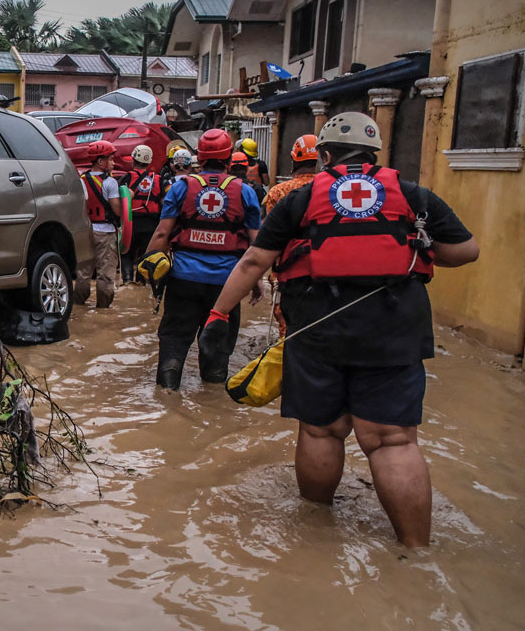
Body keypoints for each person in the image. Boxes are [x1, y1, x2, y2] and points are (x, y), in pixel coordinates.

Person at [199, 112, 478, 547]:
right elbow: (466, 251)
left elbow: (255, 261)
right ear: (374, 153)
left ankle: (316, 537)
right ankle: (415, 552)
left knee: (319, 430)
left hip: (316, 327)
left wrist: (218, 314)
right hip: (395, 329)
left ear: (325, 155)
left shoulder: (301, 198)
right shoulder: (412, 194)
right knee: (393, 442)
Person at [143, 128, 263, 389]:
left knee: (173, 341)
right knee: (218, 349)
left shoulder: (181, 187)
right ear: (229, 157)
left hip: (182, 279)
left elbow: (163, 233)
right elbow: (257, 243)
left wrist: (149, 270)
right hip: (227, 286)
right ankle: (212, 393)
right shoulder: (246, 192)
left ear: (200, 157)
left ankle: (167, 394)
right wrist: (256, 281)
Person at [262, 134, 320, 335]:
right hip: (325, 267)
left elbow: (271, 239)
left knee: (285, 322)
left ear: (294, 159)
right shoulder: (330, 188)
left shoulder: (278, 192)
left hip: (288, 271)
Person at [74, 139, 121, 308]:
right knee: (106, 274)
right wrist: (127, 197)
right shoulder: (110, 182)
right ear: (101, 162)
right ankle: (103, 310)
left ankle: (78, 305)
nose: (113, 163)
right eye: (110, 159)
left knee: (83, 273)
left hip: (84, 231)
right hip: (105, 232)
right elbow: (118, 210)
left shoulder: (80, 180)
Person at [119, 144, 162, 284]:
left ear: (133, 160)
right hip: (151, 223)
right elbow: (163, 202)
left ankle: (127, 281)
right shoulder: (158, 179)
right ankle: (141, 283)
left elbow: (120, 198)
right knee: (145, 255)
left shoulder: (127, 177)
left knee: (126, 253)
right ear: (149, 162)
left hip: (131, 222)